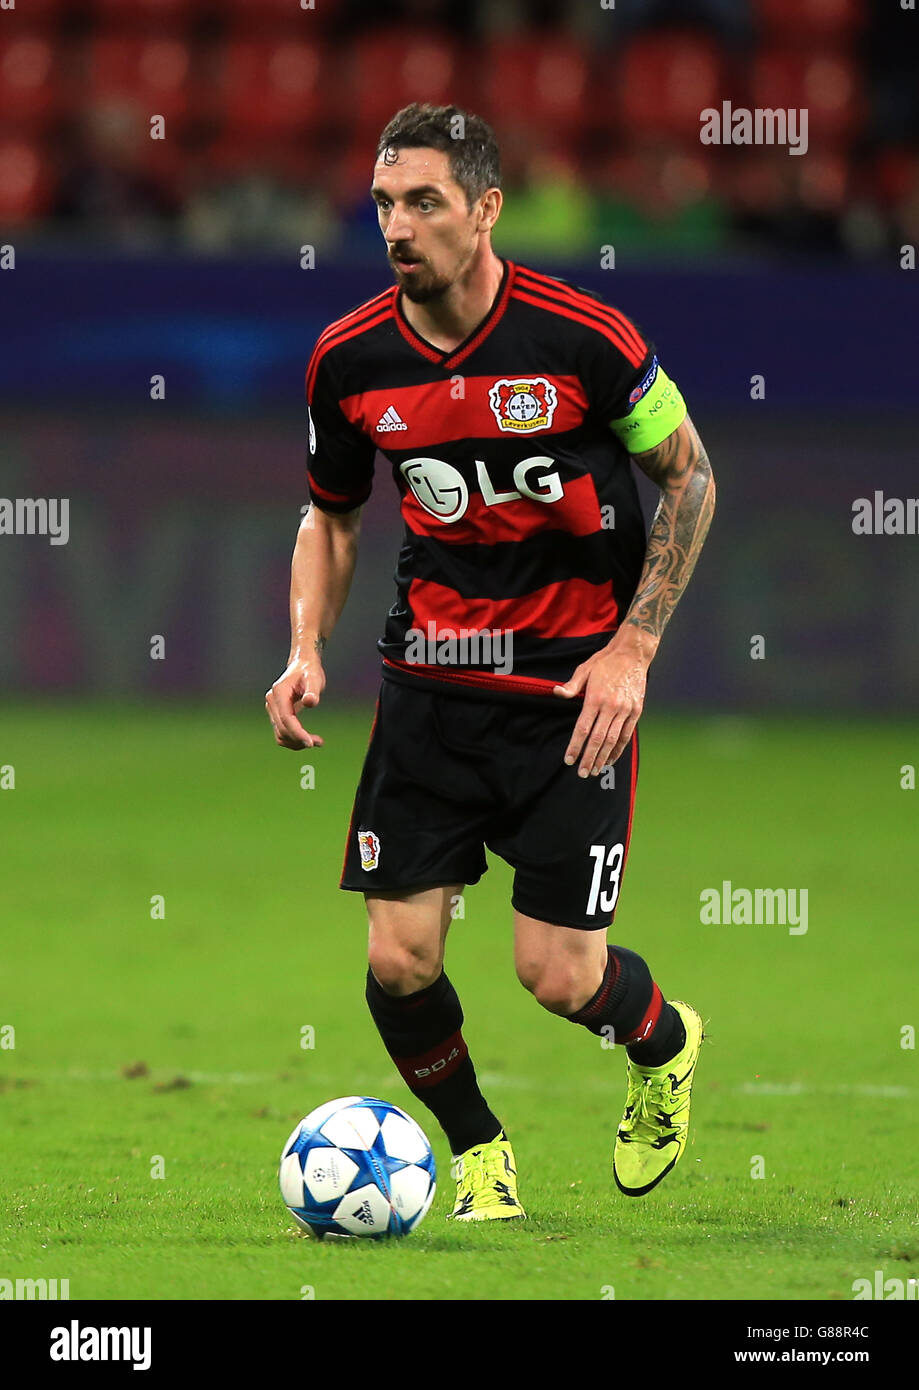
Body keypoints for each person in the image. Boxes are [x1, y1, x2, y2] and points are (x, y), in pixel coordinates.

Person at [265, 103, 715, 1220]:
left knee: (558, 977)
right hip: (430, 689)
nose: (398, 225)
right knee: (399, 960)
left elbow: (691, 478)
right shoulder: (348, 357)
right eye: (383, 203)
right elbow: (329, 517)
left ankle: (662, 1044)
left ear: (485, 207)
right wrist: (303, 648)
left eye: (423, 201)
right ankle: (477, 1153)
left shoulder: (583, 338)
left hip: (573, 699)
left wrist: (635, 646)